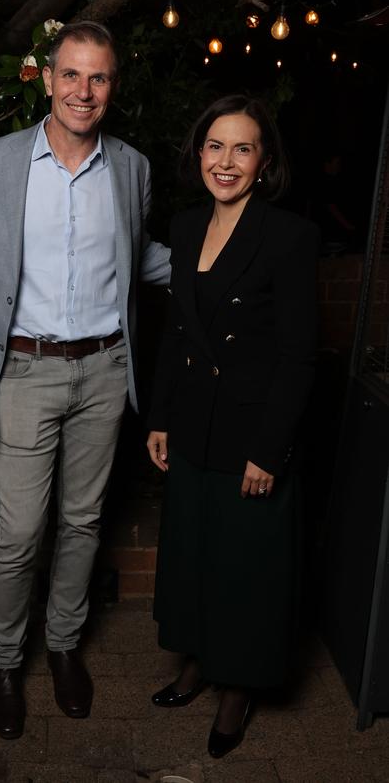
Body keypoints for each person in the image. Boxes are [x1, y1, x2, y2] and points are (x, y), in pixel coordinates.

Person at [0, 21, 170, 739]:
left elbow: (138, 258)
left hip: (106, 368)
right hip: (22, 369)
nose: (84, 91)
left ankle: (61, 645)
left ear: (113, 87)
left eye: (100, 77)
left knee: (84, 521)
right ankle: (0, 661)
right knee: (20, 529)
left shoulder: (133, 167)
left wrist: (217, 263)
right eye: (72, 75)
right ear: (48, 78)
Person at [146, 94, 319, 759]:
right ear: (198, 154)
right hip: (192, 422)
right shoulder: (186, 227)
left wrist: (269, 450)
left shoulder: (288, 235)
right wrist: (159, 416)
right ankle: (197, 662)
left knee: (246, 565)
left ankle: (237, 687)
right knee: (196, 552)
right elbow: (176, 332)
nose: (226, 161)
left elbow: (299, 355)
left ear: (263, 161)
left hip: (252, 432)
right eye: (215, 146)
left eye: (242, 148)